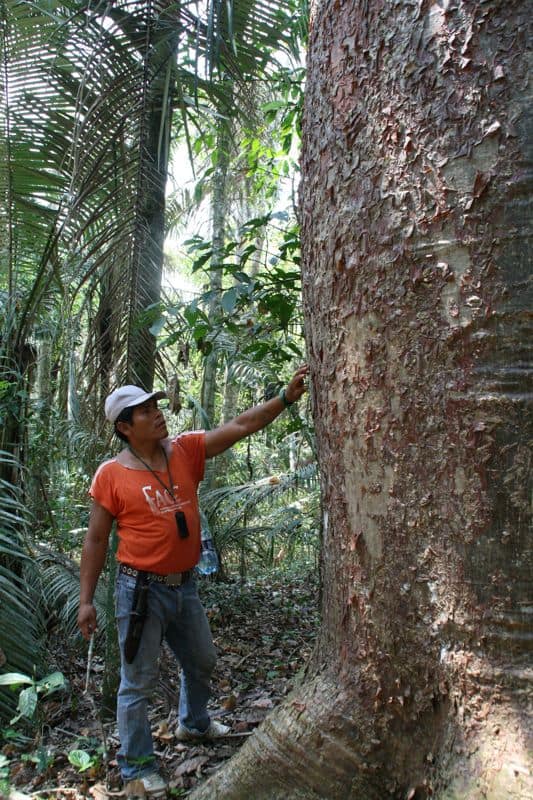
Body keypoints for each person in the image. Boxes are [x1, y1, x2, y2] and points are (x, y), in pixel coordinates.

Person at [77, 365, 309, 798]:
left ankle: (194, 724)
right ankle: (137, 768)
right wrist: (86, 600)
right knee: (137, 682)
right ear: (125, 427)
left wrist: (284, 398)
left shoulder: (183, 450)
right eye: (144, 412)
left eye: (155, 406)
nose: (157, 414)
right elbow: (95, 539)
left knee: (201, 659)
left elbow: (239, 426)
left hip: (184, 586)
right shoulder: (111, 474)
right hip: (140, 591)